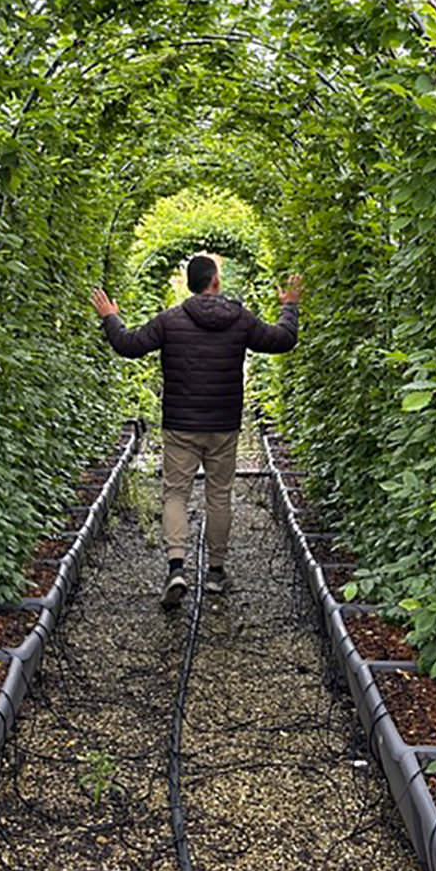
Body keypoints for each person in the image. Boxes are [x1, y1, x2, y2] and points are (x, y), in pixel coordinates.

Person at [91, 255, 302, 609]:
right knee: (219, 496)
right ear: (216, 282)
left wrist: (110, 317)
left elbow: (128, 345)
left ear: (190, 284)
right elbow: (282, 340)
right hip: (223, 423)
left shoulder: (170, 320)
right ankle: (216, 573)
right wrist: (290, 307)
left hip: (181, 424)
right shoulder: (240, 319)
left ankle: (176, 567)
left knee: (175, 493)